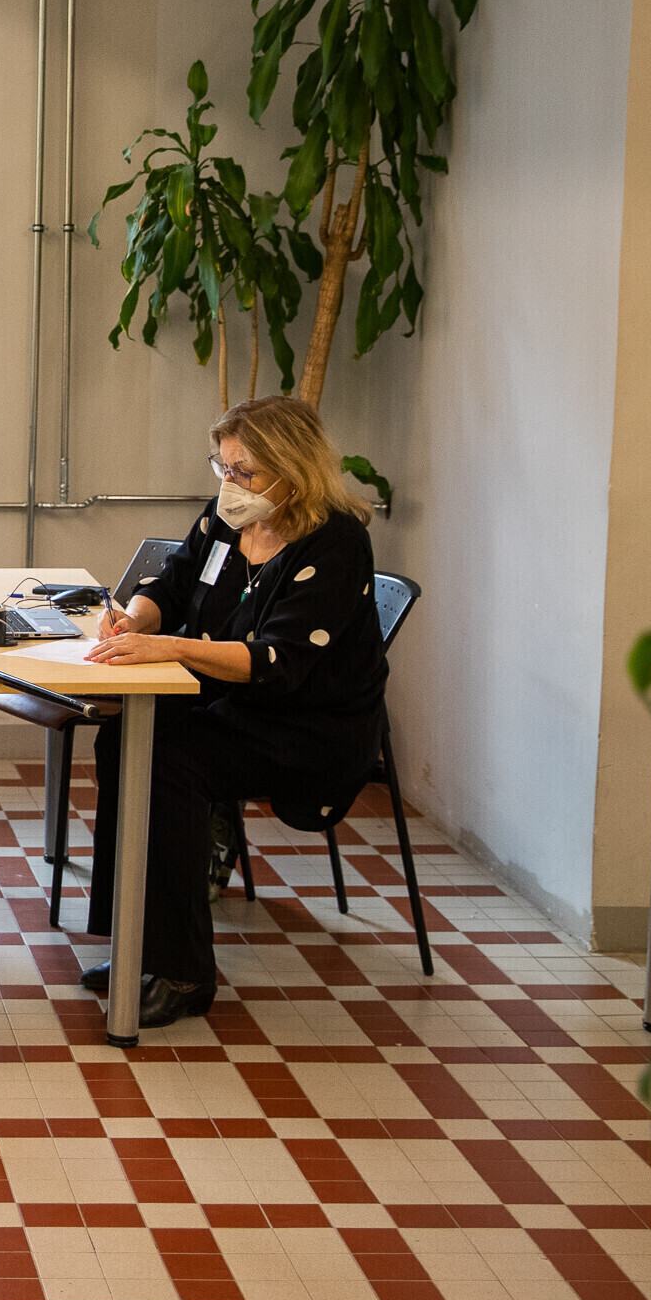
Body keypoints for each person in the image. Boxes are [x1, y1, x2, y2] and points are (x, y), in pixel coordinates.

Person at [79, 395, 389, 1027]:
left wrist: (169, 647)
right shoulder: (228, 518)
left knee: (168, 760)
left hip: (308, 725)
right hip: (233, 703)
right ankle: (136, 939)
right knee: (122, 739)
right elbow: (168, 585)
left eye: (244, 471)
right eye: (223, 467)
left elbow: (277, 661)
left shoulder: (336, 543)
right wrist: (134, 619)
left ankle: (185, 972)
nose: (230, 483)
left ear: (293, 470)